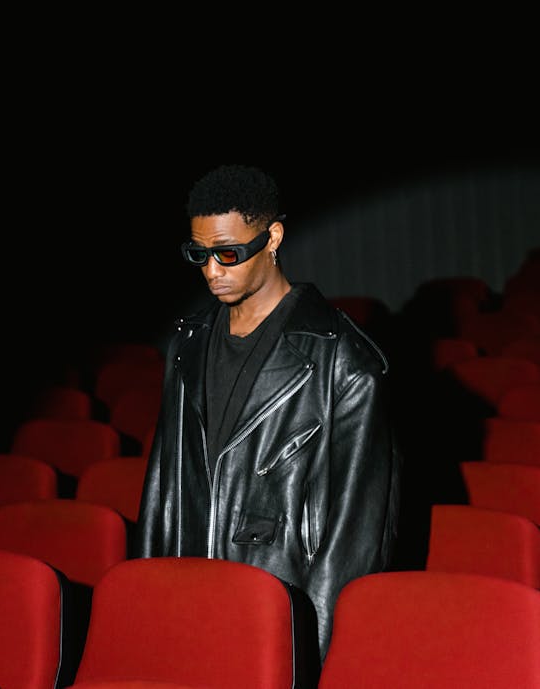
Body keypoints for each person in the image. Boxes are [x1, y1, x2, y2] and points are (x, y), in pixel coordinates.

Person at [134, 163, 401, 669]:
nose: (212, 271)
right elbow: (161, 494)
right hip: (188, 609)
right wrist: (149, 615)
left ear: (272, 236)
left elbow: (356, 540)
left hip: (279, 618)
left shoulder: (345, 363)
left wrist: (310, 658)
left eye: (228, 253)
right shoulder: (186, 346)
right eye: (199, 254)